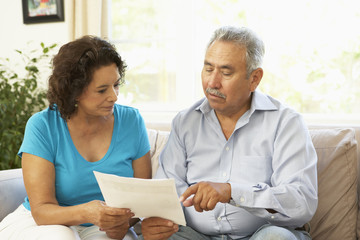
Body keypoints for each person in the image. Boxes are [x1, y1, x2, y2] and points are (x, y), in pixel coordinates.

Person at [140, 26, 318, 240]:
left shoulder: (286, 123)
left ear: (254, 78)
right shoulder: (185, 122)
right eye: (208, 69)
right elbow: (166, 194)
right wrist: (156, 223)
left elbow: (301, 202)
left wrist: (232, 192)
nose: (212, 83)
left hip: (262, 234)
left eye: (226, 72)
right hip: (196, 235)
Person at [0, 35, 151, 240]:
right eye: (102, 90)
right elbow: (41, 210)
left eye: (116, 84)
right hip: (43, 223)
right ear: (74, 91)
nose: (114, 96)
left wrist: (124, 222)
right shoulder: (42, 126)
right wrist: (87, 212)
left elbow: (142, 198)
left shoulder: (132, 121)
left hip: (102, 228)